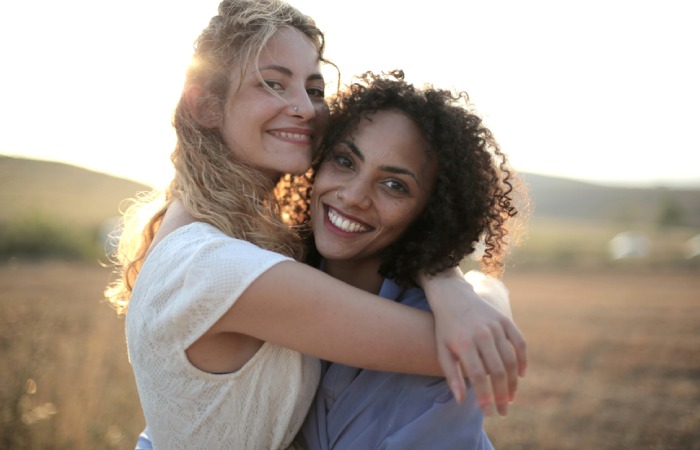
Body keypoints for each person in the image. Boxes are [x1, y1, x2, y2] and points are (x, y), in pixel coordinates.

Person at [104, 1, 526, 449]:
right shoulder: (212, 265)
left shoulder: (225, 238)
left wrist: (440, 273)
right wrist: (457, 283)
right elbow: (470, 346)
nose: (305, 108)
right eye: (273, 83)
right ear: (205, 106)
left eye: (314, 88)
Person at [295, 70, 524, 449]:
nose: (353, 196)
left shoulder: (447, 345)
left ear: (429, 212)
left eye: (394, 185)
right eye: (345, 161)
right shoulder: (267, 272)